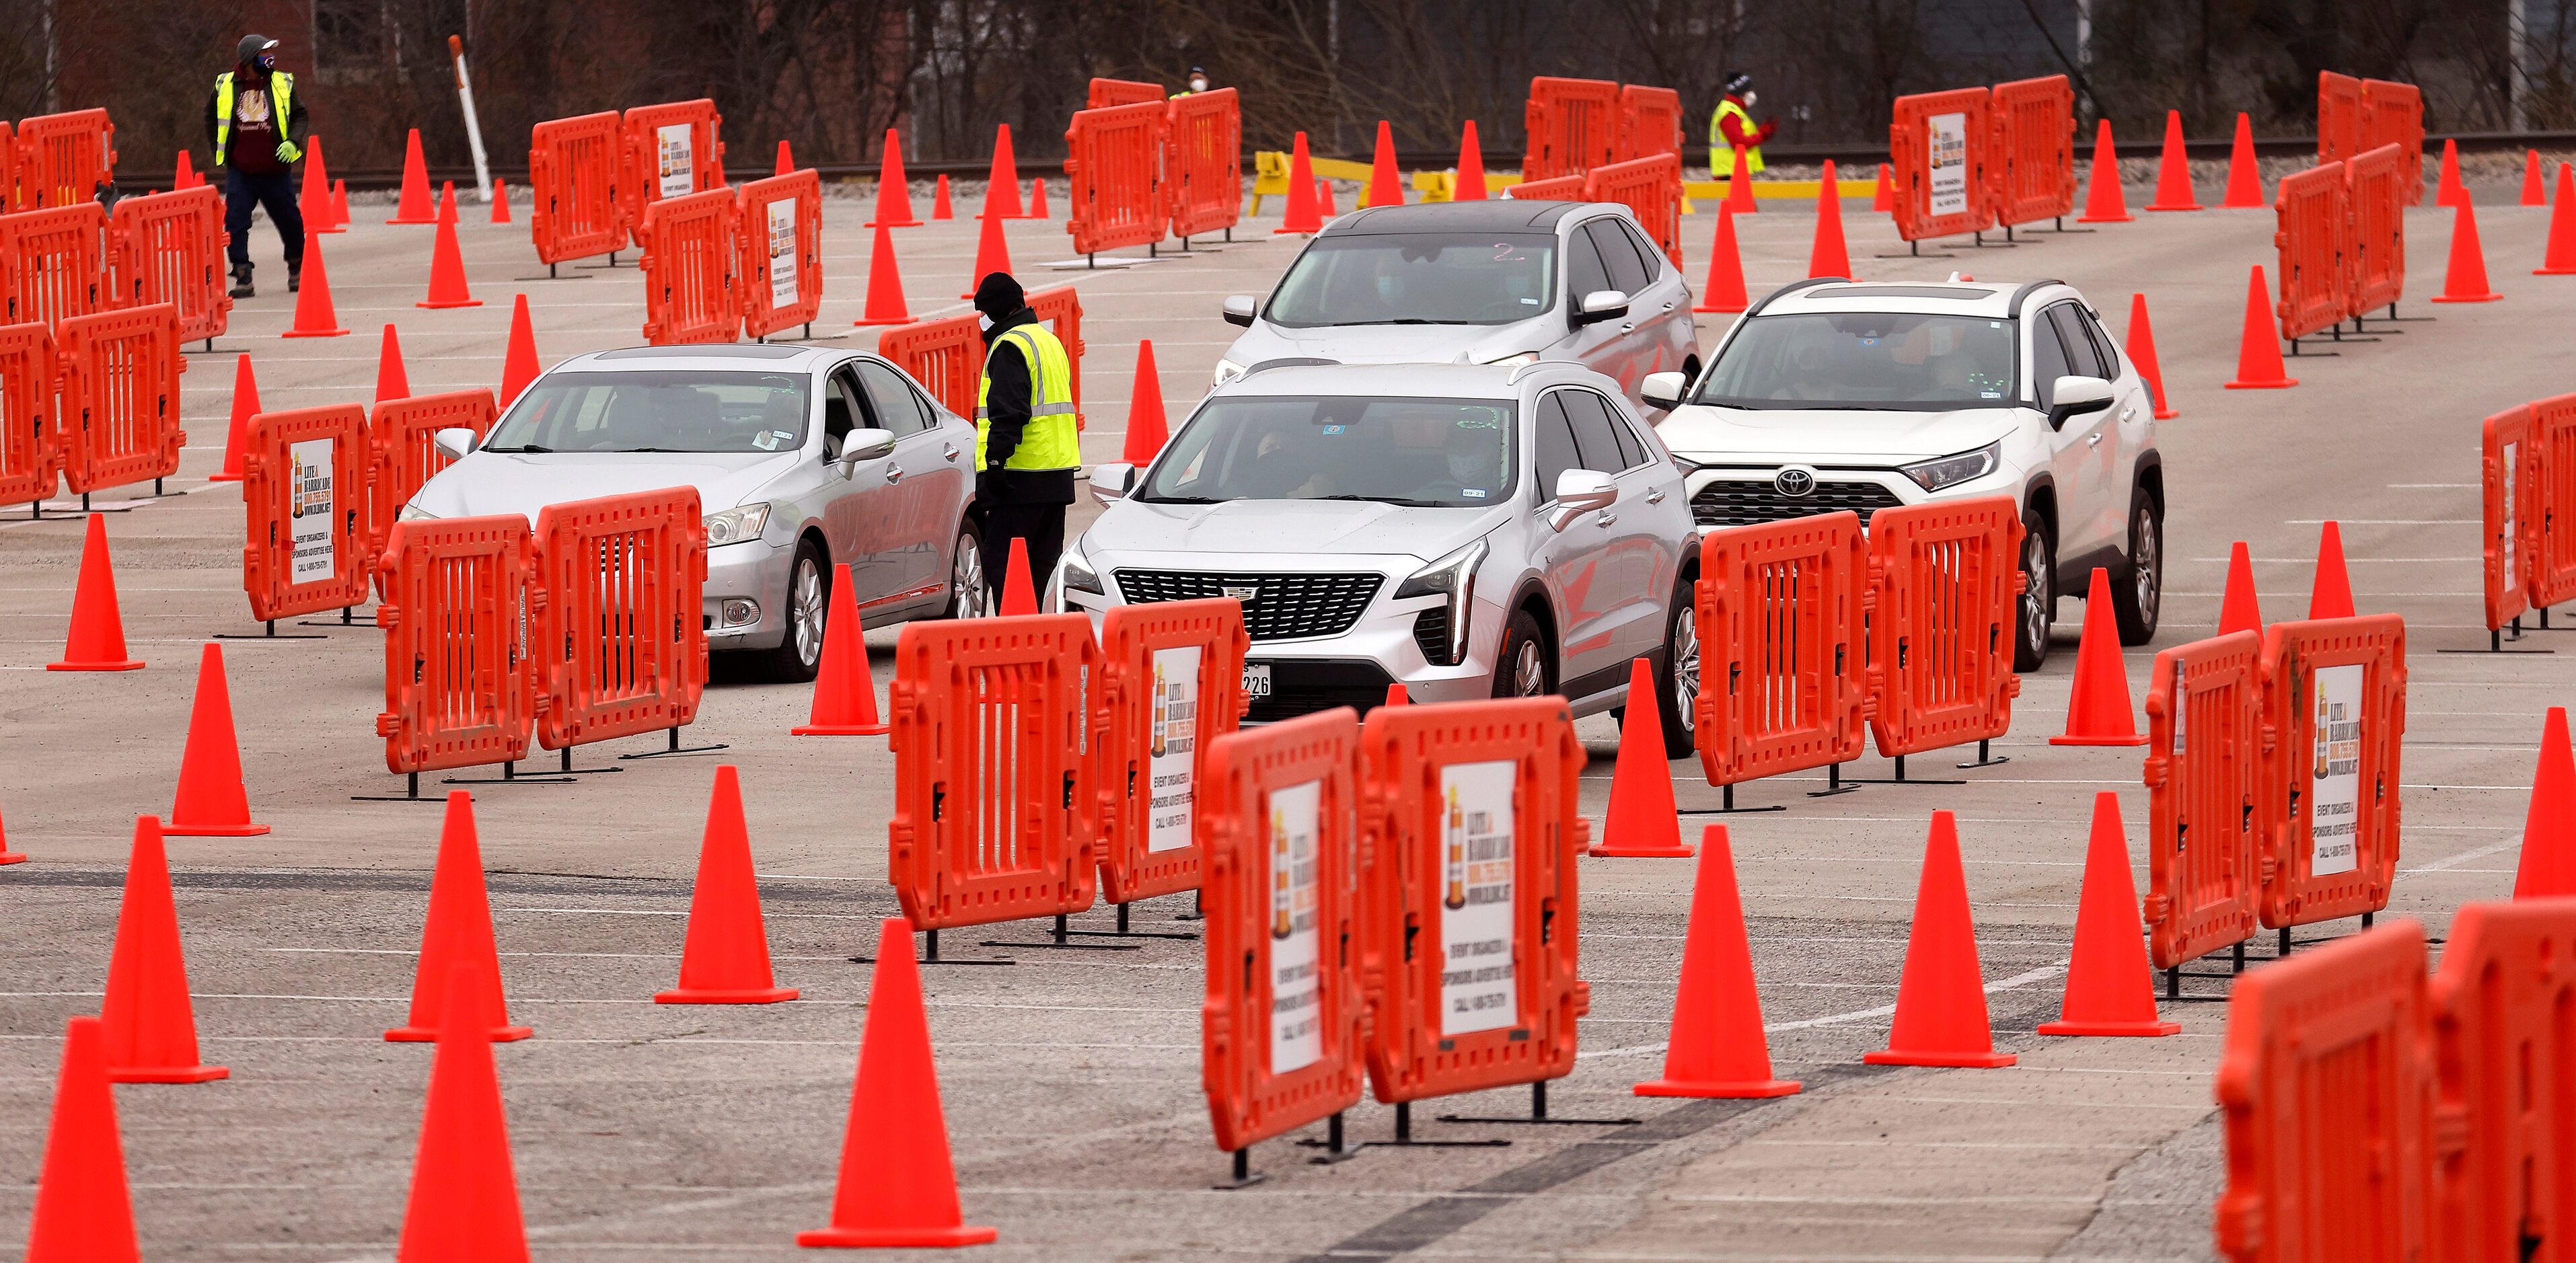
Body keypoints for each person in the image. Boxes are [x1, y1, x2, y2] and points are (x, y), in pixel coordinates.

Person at [971, 271, 1079, 604]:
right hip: (1056, 476)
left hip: (1019, 480)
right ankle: (1043, 640)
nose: (981, 321)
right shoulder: (1048, 341)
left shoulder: (1009, 347)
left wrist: (995, 462)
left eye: (984, 313)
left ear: (1000, 312)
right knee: (1042, 571)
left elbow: (1009, 411)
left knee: (1005, 568)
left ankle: (1014, 644)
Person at [205, 34, 309, 298]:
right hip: (241, 170)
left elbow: (300, 115)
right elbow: (210, 116)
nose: (270, 58)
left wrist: (293, 142)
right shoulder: (226, 84)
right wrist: (222, 150)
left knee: (290, 221)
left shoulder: (282, 82)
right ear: (251, 59)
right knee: (236, 222)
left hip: (276, 170)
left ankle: (296, 266)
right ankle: (242, 274)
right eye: (264, 54)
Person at [1708, 71, 1776, 174]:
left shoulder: (1735, 111)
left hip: (1733, 171)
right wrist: (1762, 136)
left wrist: (1762, 132)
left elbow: (1743, 137)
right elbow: (1739, 143)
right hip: (1730, 172)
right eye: (1749, 90)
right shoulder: (1730, 113)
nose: (1752, 94)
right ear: (1740, 92)